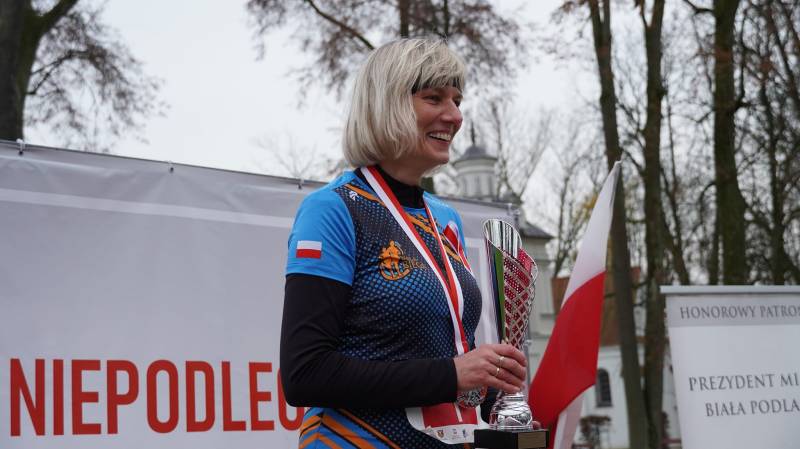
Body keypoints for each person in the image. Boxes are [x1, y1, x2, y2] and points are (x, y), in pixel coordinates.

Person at [280, 38, 528, 448]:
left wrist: (490, 386)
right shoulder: (334, 209)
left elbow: (445, 355)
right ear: (387, 104)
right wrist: (452, 374)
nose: (454, 116)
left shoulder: (444, 219)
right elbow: (305, 373)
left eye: (457, 100)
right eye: (434, 98)